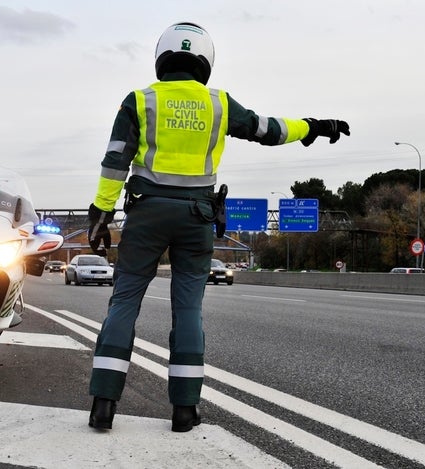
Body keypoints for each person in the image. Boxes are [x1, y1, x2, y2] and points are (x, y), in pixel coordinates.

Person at [86, 21, 350, 432]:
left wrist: (100, 216)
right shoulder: (219, 104)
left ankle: (104, 403)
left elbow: (115, 161)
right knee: (187, 310)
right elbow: (268, 129)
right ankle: (185, 410)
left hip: (146, 215)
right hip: (197, 219)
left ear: (162, 57)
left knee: (124, 303)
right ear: (205, 61)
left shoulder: (139, 100)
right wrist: (314, 127)